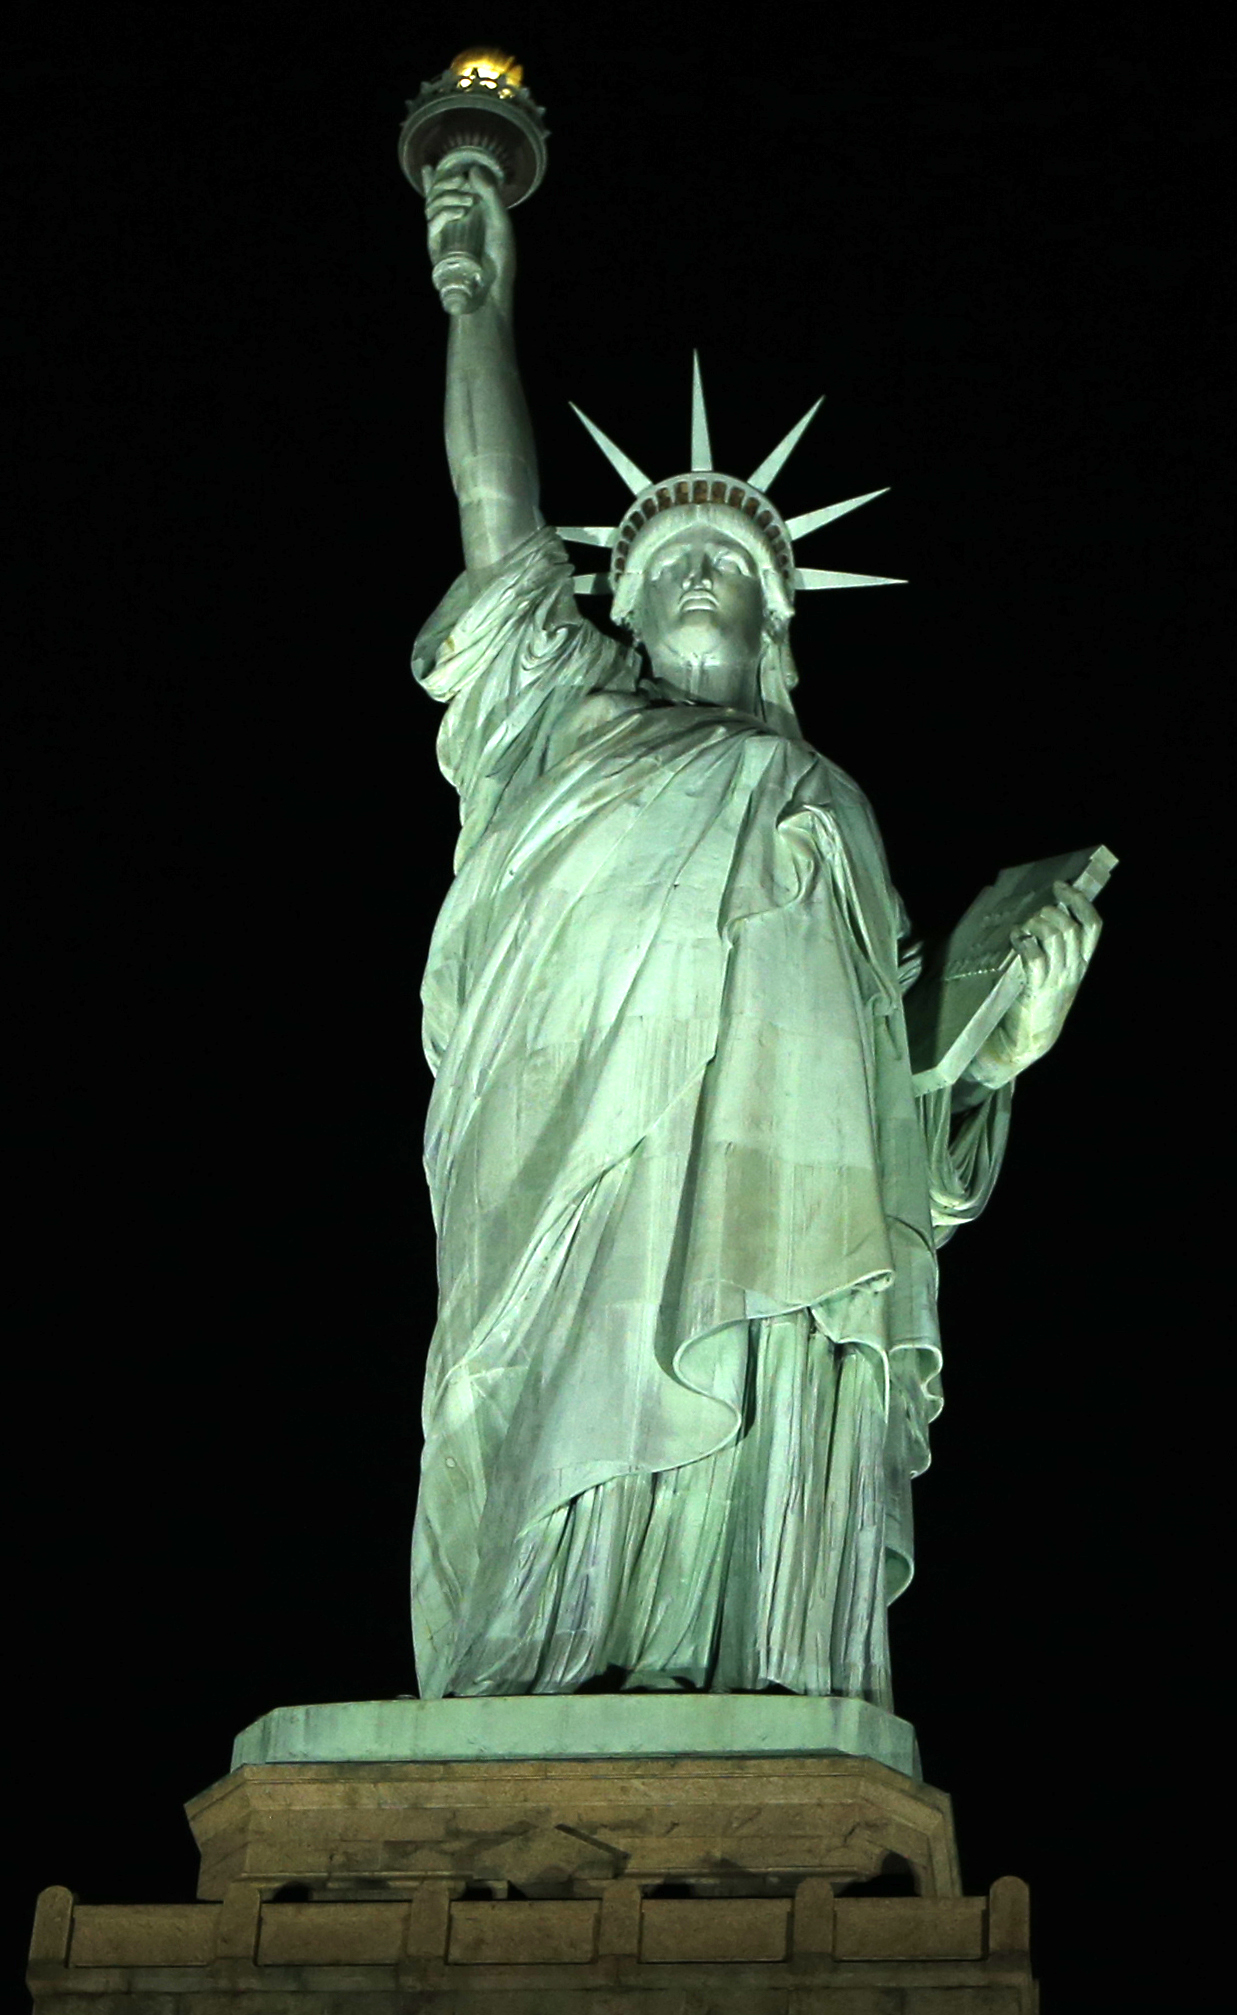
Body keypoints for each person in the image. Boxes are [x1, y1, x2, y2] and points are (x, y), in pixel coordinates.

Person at [407, 164, 1101, 1703]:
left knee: (781, 1353)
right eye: (665, 567)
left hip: (782, 1216)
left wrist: (997, 1054)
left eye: (731, 563)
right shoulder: (559, 721)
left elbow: (882, 1117)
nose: (703, 574)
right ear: (622, 612)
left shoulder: (823, 801)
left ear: (778, 621)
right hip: (578, 1164)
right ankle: (550, 1665)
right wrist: (478, 297)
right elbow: (494, 517)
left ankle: (760, 1672)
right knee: (562, 1398)